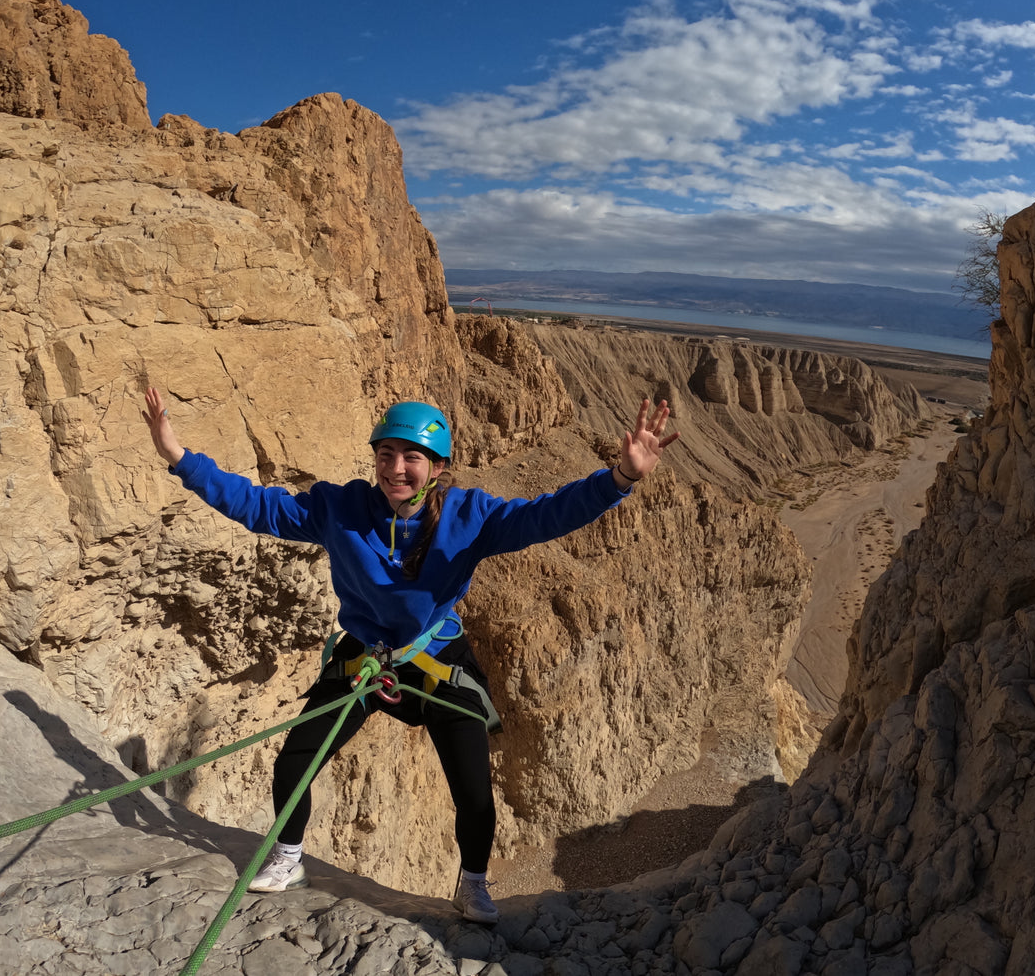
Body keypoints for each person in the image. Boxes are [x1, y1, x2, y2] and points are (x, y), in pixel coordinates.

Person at [142, 387, 676, 923]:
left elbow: (546, 516)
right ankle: (287, 857)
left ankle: (472, 884)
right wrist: (179, 459)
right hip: (366, 657)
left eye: (412, 457)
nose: (397, 469)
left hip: (439, 657)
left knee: (473, 790)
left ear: (438, 467)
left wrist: (620, 480)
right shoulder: (340, 509)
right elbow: (258, 506)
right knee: (296, 761)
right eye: (386, 455)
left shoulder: (469, 516)